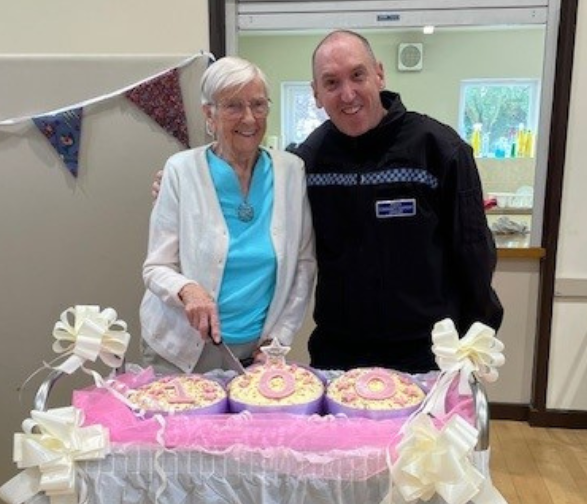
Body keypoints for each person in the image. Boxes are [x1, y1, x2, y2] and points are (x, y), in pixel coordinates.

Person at [152, 31, 502, 373]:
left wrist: (474, 341)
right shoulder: (310, 160)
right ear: (316, 94)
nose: (347, 94)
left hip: (425, 355)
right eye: (331, 83)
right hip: (338, 354)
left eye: (357, 75)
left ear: (379, 74)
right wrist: (176, 188)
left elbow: (474, 253)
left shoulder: (440, 149)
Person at [139, 57, 316, 375]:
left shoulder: (291, 171)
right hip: (179, 351)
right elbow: (156, 268)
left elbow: (303, 266)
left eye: (258, 105)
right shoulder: (181, 171)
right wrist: (187, 290)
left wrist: (279, 340)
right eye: (234, 106)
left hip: (256, 353)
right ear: (210, 113)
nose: (249, 118)